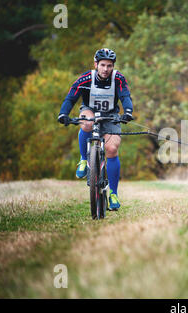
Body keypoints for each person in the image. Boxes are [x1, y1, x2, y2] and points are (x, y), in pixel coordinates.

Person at [57, 48, 134, 210]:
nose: (106, 69)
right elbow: (70, 98)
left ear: (113, 66)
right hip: (89, 110)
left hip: (111, 115)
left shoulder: (118, 78)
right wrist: (63, 114)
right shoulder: (85, 78)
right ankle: (84, 159)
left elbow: (125, 97)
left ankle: (113, 194)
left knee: (112, 148)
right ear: (96, 64)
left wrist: (127, 112)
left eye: (110, 66)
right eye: (103, 65)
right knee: (86, 123)